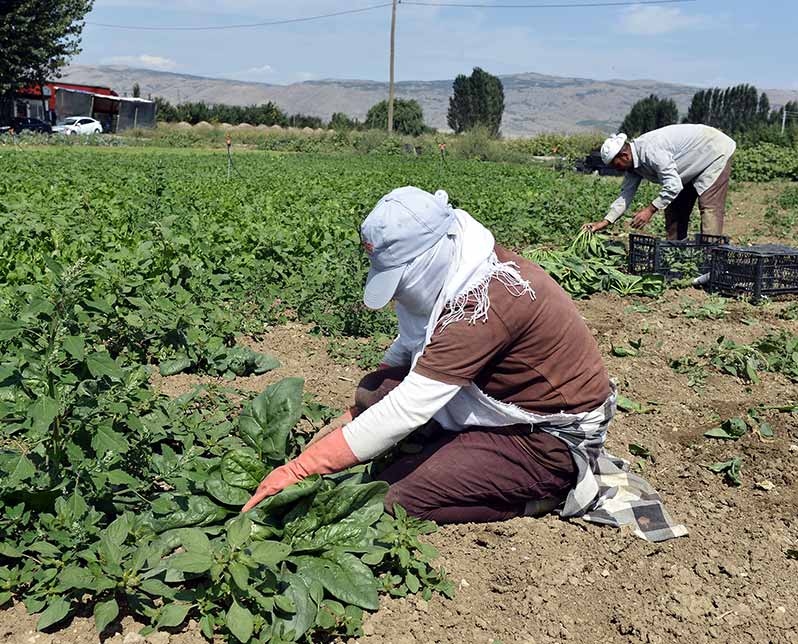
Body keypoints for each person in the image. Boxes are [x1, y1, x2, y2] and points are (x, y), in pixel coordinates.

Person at [243, 187, 685, 542]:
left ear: (427, 258)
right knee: (374, 391)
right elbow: (405, 350)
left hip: (543, 438)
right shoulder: (457, 265)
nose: (399, 294)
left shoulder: (484, 303)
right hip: (499, 401)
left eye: (401, 280)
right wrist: (357, 413)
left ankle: (538, 495)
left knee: (394, 498)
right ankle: (453, 449)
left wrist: (301, 468)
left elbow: (407, 407)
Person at [584, 124, 736, 240]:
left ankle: (711, 260)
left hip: (714, 151)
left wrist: (650, 210)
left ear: (624, 156)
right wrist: (605, 222)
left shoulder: (651, 150)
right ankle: (676, 257)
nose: (616, 169)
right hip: (688, 163)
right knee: (675, 210)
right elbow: (626, 195)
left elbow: (673, 185)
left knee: (709, 207)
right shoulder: (632, 165)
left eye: (615, 165)